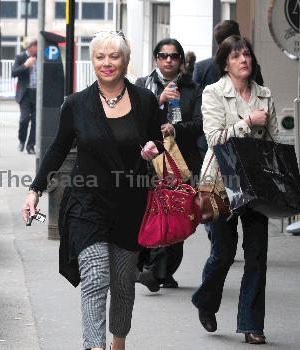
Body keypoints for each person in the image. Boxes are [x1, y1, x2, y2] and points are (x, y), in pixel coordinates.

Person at [22, 31, 163, 350]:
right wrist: (35, 190)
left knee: (124, 284)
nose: (107, 63)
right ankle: (93, 345)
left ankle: (117, 342)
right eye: (100, 56)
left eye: (114, 56)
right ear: (92, 61)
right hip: (88, 204)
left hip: (131, 204)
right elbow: (57, 149)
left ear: (125, 61)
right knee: (96, 277)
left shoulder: (144, 101)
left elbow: (160, 144)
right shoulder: (76, 104)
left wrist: (154, 151)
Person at [191, 35, 279, 345]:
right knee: (223, 253)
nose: (244, 60)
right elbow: (214, 138)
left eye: (247, 55)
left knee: (257, 256)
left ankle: (252, 325)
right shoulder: (213, 93)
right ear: (225, 63)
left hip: (256, 183)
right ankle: (206, 300)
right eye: (236, 56)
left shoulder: (264, 94)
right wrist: (247, 122)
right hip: (220, 181)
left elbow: (273, 139)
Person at [135, 38, 203, 292]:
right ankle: (152, 267)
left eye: (174, 56)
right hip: (150, 161)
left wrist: (175, 128)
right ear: (156, 59)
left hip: (181, 162)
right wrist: (159, 100)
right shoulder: (143, 86)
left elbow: (200, 123)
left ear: (181, 61)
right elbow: (134, 119)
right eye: (163, 56)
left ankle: (163, 270)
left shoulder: (193, 89)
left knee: (176, 213)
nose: (168, 60)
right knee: (150, 212)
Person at [193, 20, 264, 159]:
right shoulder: (252, 67)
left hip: (212, 137)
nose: (243, 60)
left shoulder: (202, 67)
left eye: (246, 54)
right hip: (227, 141)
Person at [12, 37, 38, 154]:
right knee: (24, 119)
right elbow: (14, 73)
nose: (36, 48)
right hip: (25, 93)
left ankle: (30, 146)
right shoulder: (21, 57)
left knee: (36, 121)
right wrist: (26, 65)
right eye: (34, 46)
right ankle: (22, 140)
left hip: (38, 93)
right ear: (29, 47)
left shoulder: (41, 57)